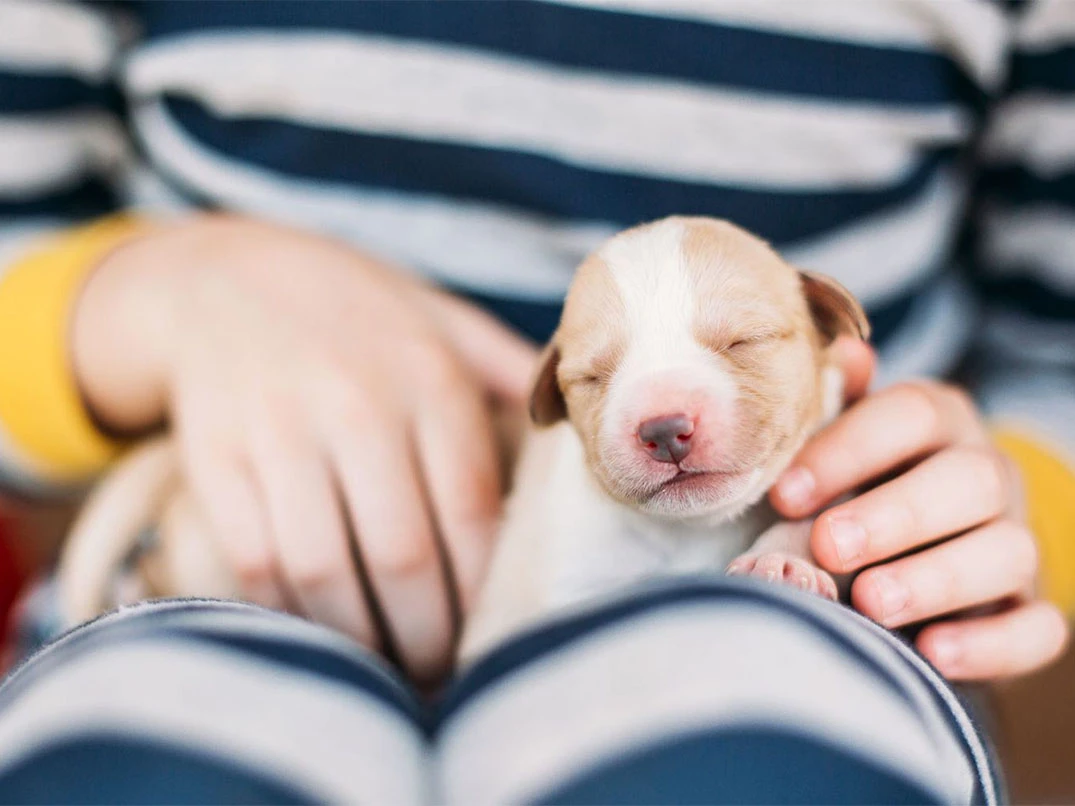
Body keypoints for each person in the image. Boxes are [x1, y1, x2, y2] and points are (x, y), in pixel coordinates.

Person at [0, 0, 1069, 800]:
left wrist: (999, 514)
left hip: (826, 620)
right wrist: (151, 300)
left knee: (749, 767)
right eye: (592, 376)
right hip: (193, 582)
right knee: (140, 770)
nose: (660, 407)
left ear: (831, 324)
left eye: (743, 342)